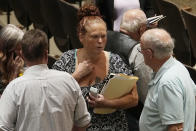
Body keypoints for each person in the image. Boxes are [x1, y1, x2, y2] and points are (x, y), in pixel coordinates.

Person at [53, 4, 138, 131]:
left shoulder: (115, 61)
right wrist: (75, 76)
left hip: (113, 127)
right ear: (81, 37)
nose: (100, 41)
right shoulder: (67, 60)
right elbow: (51, 94)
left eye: (103, 36)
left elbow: (134, 98)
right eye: (94, 36)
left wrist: (107, 103)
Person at [0, 29, 91, 131]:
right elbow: (83, 122)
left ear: (22, 55)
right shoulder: (69, 81)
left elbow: (3, 127)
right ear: (46, 54)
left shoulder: (13, 88)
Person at [139, 28, 196, 131]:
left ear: (149, 53)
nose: (141, 53)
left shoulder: (167, 83)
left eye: (141, 49)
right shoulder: (178, 66)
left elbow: (176, 127)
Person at [0, 24, 24, 96]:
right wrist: (13, 75)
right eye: (17, 49)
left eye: (22, 48)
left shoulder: (17, 64)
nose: (21, 53)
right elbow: (5, 102)